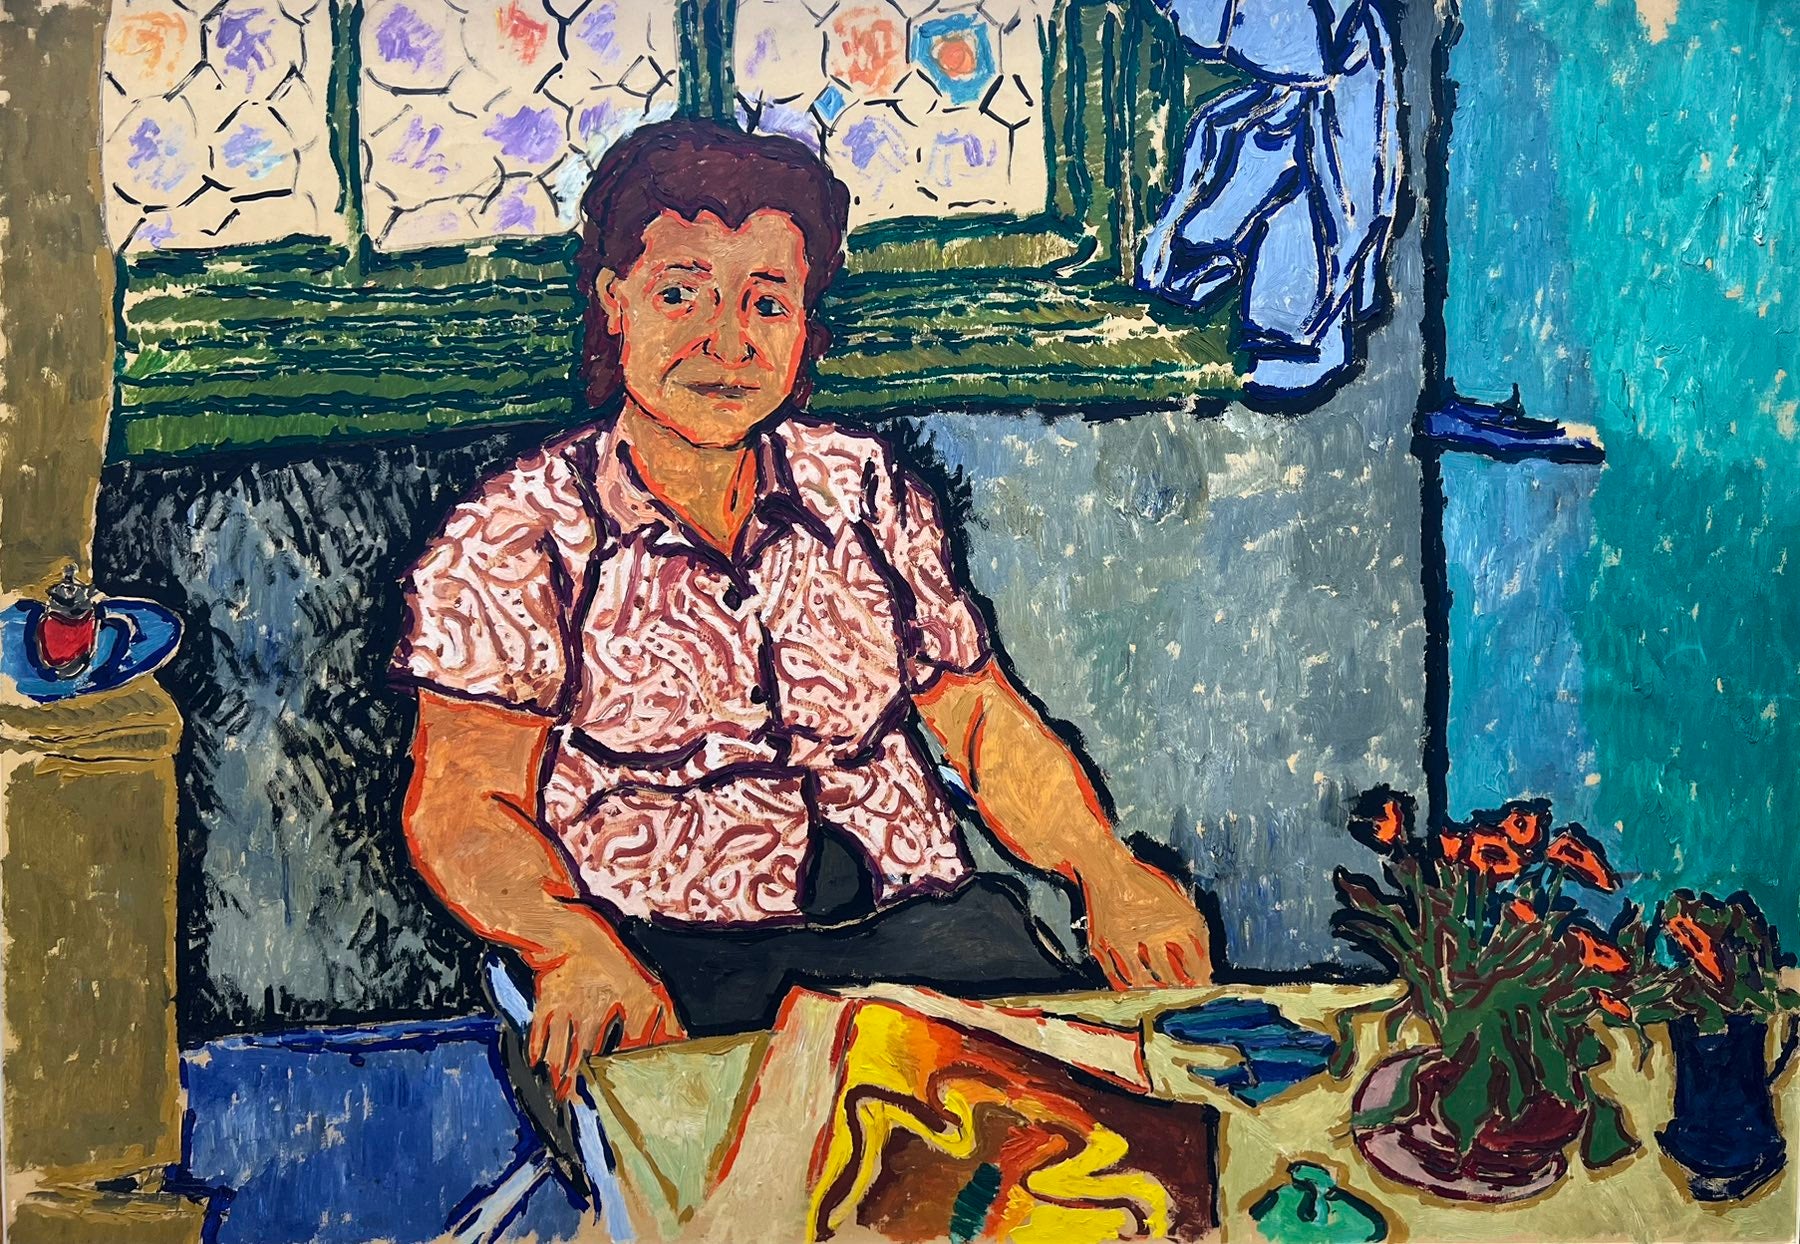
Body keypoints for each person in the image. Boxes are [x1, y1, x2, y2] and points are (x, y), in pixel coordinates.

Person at [392, 120, 1213, 1101]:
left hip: (927, 933)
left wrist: (1106, 870)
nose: (727, 343)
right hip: (669, 961)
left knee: (1105, 1131)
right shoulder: (518, 531)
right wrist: (566, 941)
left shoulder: (862, 489)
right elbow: (461, 805)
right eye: (681, 295)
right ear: (615, 302)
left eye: (767, 302)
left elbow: (982, 722)